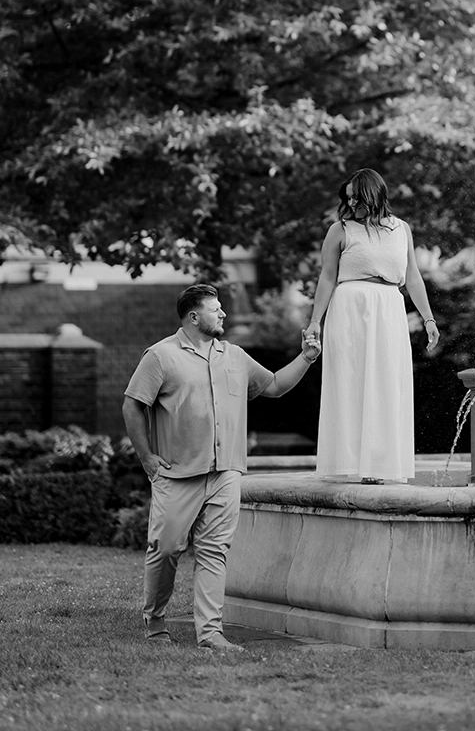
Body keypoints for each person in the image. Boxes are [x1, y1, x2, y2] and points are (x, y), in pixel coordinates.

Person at [122, 284, 321, 650]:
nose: (223, 314)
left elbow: (275, 385)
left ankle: (210, 633)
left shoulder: (235, 356)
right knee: (165, 549)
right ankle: (155, 618)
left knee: (214, 551)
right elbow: (133, 404)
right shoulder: (161, 356)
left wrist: (306, 357)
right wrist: (147, 457)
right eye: (216, 309)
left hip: (226, 471)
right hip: (177, 472)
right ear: (193, 316)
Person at [302, 168, 441, 484]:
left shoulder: (401, 229)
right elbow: (327, 277)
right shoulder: (339, 230)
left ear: (374, 195)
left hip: (389, 306)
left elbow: (413, 278)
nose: (351, 203)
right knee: (350, 380)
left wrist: (429, 319)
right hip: (349, 306)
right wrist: (315, 321)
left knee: (386, 382)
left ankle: (379, 465)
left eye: (357, 197)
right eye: (348, 198)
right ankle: (349, 464)